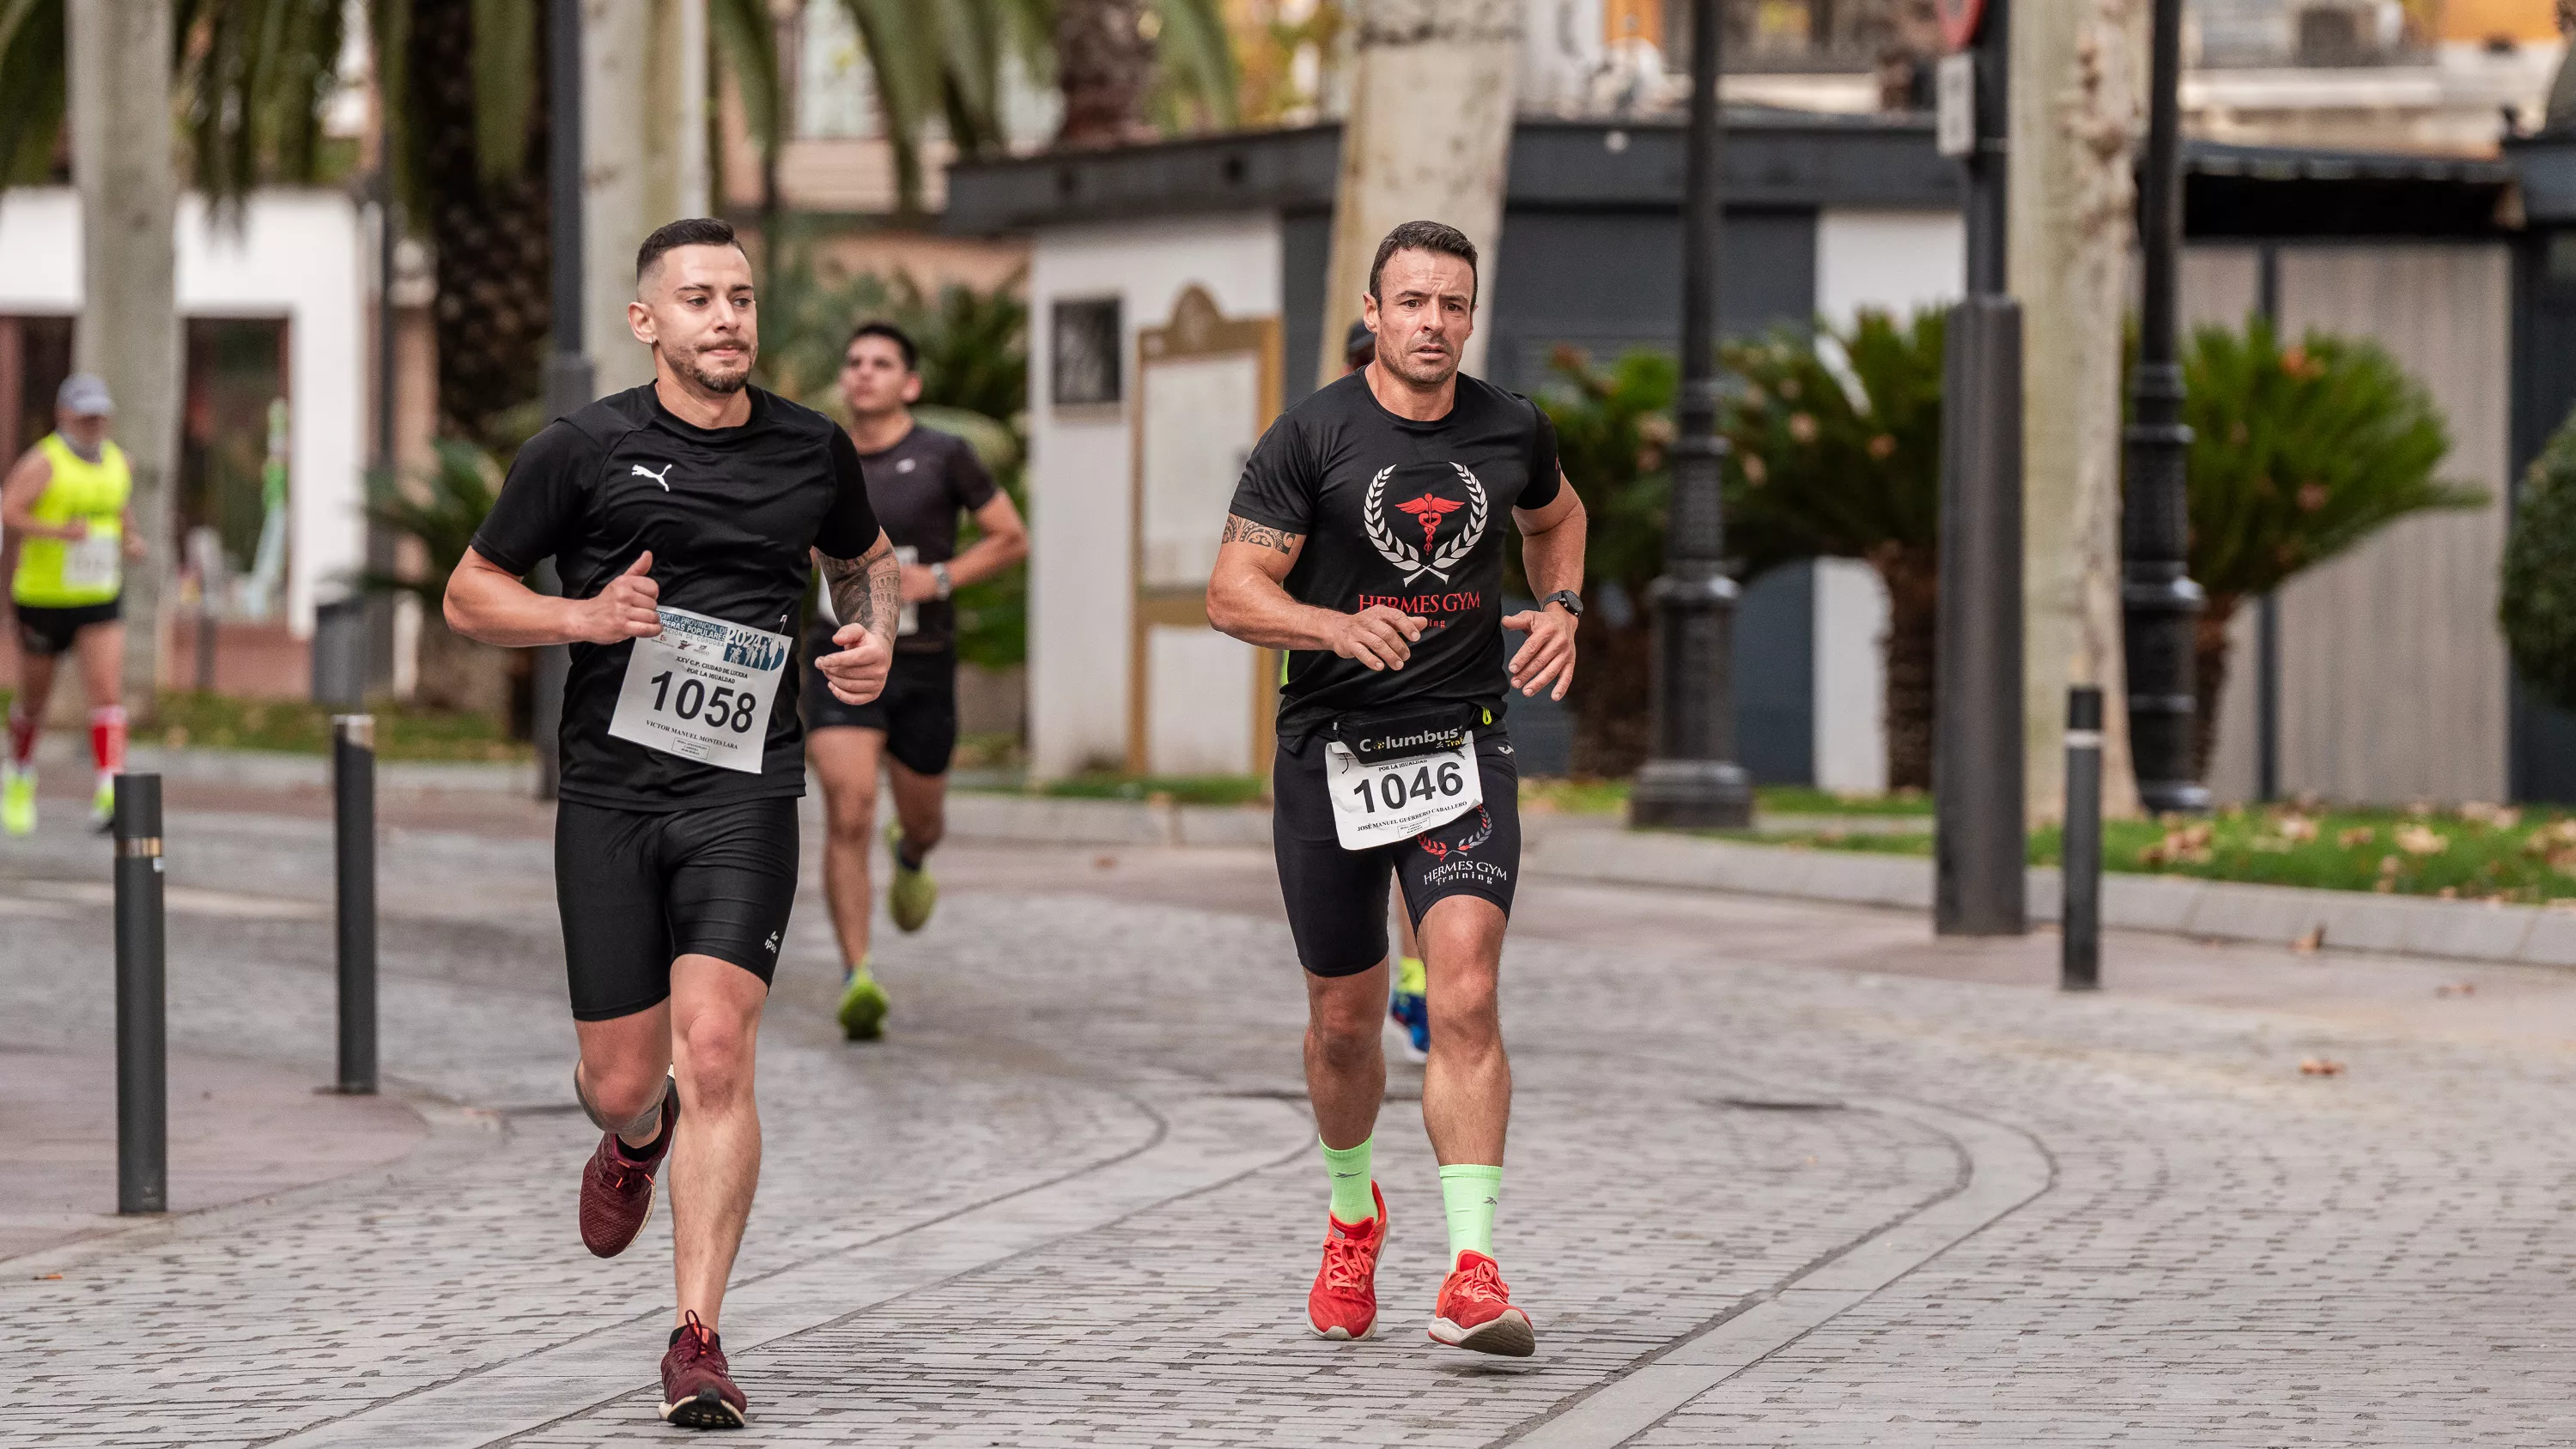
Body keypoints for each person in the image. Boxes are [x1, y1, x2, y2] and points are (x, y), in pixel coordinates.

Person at [443, 217, 899, 1430]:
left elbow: (865, 561)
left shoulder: (812, 447)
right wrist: (582, 622)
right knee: (625, 1076)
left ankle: (696, 1337)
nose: (728, 318)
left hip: (743, 791)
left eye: (741, 296)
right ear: (648, 322)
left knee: (716, 1052)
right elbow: (471, 593)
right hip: (609, 795)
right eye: (699, 298)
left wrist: (872, 638)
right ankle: (630, 1137)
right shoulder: (581, 449)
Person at [1207, 220, 1587, 1358]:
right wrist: (1329, 624)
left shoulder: (1513, 427)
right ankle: (1352, 1209)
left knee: (1464, 994)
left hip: (1461, 744)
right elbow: (1231, 592)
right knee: (1342, 1025)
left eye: (1453, 305)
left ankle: (1473, 1269)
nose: (1433, 323)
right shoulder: (1311, 437)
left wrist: (1562, 606)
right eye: (1412, 302)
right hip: (1331, 751)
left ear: (1473, 317)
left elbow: (1556, 516)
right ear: (1373, 313)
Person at [805, 321, 1028, 1042]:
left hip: (921, 662)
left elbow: (1009, 536)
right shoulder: (816, 456)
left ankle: (913, 852)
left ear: (910, 384)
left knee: (923, 817)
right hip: (836, 657)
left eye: (882, 363)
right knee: (849, 808)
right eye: (854, 361)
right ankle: (857, 975)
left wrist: (936, 578)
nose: (864, 372)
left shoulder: (943, 454)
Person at [1343, 318, 1431, 1066]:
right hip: (1332, 705)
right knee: (1357, 861)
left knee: (1414, 837)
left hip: (1429, 695)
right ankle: (1365, 987)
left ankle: (1414, 980)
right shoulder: (1312, 446)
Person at [2, 373, 144, 835]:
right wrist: (59, 533)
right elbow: (9, 511)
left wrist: (131, 538)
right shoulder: (44, 462)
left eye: (100, 414)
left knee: (106, 690)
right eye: (85, 415)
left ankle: (109, 788)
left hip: (99, 593)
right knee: (35, 700)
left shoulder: (120, 462)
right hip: (44, 597)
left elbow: (119, 507)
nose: (94, 422)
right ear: (64, 415)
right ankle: (20, 774)